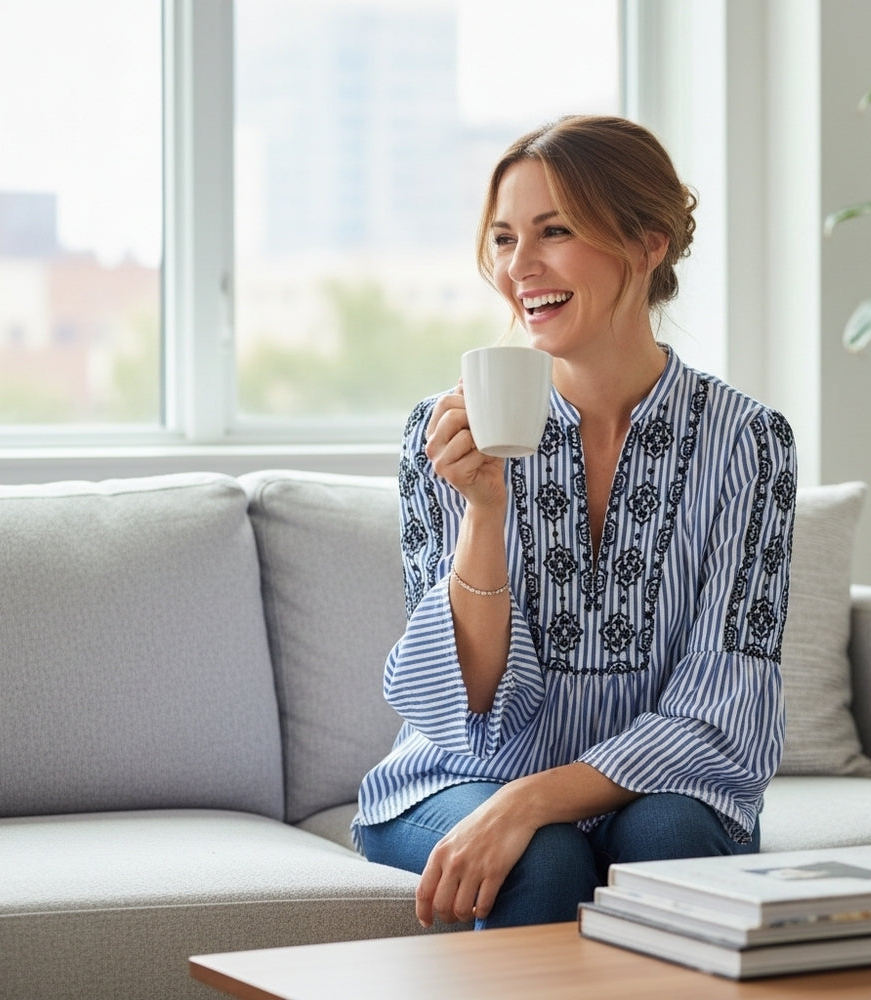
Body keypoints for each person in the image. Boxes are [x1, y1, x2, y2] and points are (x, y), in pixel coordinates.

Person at [352, 114, 797, 930]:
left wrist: (532, 799)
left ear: (647, 243)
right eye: (504, 239)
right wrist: (485, 510)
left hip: (658, 789)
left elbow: (723, 708)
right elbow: (463, 708)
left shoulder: (749, 443)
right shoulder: (443, 435)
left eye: (553, 232)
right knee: (546, 856)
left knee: (670, 835)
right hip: (460, 780)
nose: (519, 267)